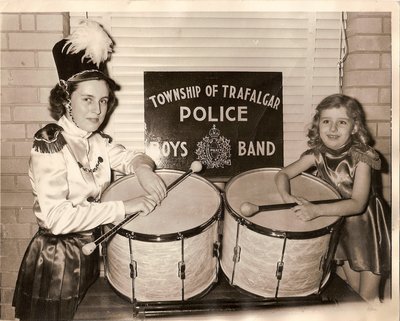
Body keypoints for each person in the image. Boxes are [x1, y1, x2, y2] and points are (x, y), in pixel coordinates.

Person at [12, 20, 167, 321]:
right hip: (55, 260)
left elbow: (131, 157)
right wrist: (125, 207)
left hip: (88, 252)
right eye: (87, 99)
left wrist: (143, 169)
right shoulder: (49, 142)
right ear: (66, 99)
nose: (97, 110)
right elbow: (56, 219)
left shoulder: (97, 142)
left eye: (103, 101)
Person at [274, 94, 390, 303]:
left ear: (354, 128)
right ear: (318, 125)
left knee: (368, 299)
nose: (333, 128)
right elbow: (282, 174)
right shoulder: (316, 154)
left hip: (367, 228)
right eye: (326, 121)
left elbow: (358, 204)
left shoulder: (363, 156)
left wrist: (315, 210)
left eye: (342, 122)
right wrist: (287, 196)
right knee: (353, 292)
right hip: (340, 226)